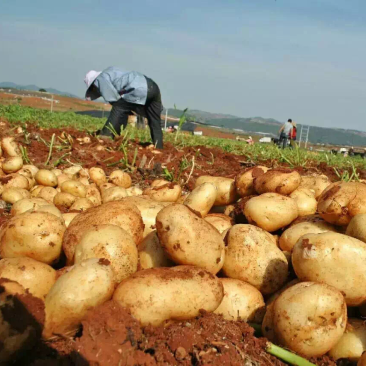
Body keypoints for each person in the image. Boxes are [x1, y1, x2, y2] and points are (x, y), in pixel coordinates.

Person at [84, 67, 164, 149]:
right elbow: (124, 110)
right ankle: (159, 148)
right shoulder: (111, 72)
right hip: (153, 87)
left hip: (139, 88)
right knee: (155, 122)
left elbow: (115, 100)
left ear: (94, 83)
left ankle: (105, 136)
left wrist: (108, 131)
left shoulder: (100, 78)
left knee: (119, 107)